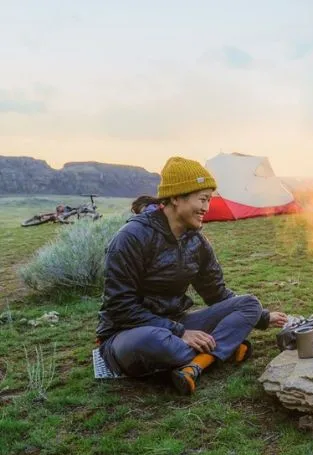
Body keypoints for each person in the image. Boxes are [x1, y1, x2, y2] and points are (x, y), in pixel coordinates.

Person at [96, 156, 288, 394]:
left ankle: (197, 364)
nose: (207, 208)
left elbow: (217, 294)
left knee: (249, 304)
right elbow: (119, 308)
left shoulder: (196, 242)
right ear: (176, 197)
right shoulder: (132, 238)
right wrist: (180, 333)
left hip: (177, 324)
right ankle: (223, 349)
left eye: (209, 199)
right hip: (130, 333)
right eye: (202, 199)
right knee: (157, 342)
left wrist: (261, 316)